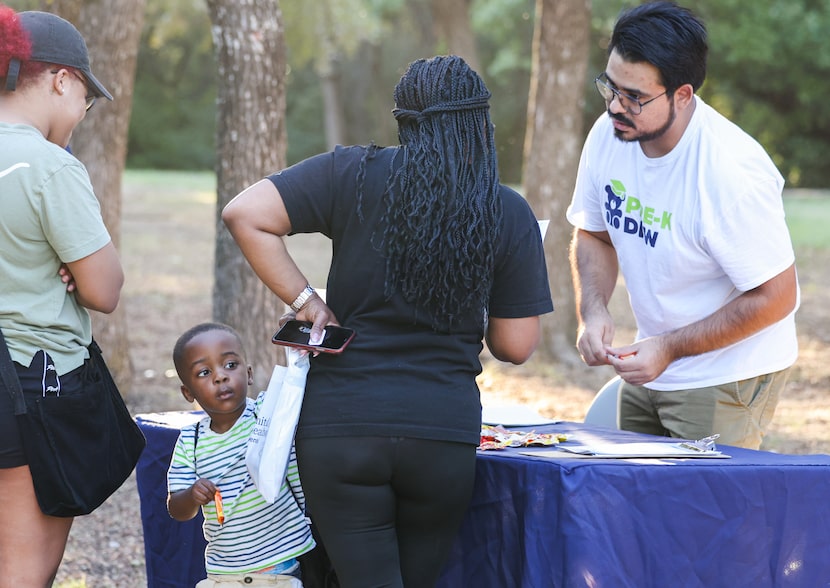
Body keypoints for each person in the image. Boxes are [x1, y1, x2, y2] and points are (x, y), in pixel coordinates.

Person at [221, 55, 553, 587]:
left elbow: (245, 212)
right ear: (477, 123)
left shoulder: (351, 174)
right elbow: (515, 345)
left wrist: (307, 300)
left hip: (340, 429)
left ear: (404, 120)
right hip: (440, 432)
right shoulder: (505, 211)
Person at [567, 1, 799, 450]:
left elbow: (777, 296)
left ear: (683, 95)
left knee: (701, 514)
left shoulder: (731, 174)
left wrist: (668, 349)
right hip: (649, 360)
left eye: (634, 96)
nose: (616, 105)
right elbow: (594, 234)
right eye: (610, 87)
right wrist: (593, 312)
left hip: (727, 375)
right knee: (629, 501)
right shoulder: (608, 134)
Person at [0, 6, 123, 586]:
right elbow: (103, 289)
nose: (79, 113)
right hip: (26, 386)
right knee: (25, 570)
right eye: (84, 99)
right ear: (61, 80)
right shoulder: (47, 166)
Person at [167, 322, 316, 587]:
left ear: (248, 374)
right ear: (187, 392)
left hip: (281, 565)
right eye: (204, 372)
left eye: (230, 365)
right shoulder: (191, 440)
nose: (220, 377)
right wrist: (191, 495)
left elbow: (297, 395)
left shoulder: (265, 413)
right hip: (225, 572)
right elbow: (177, 509)